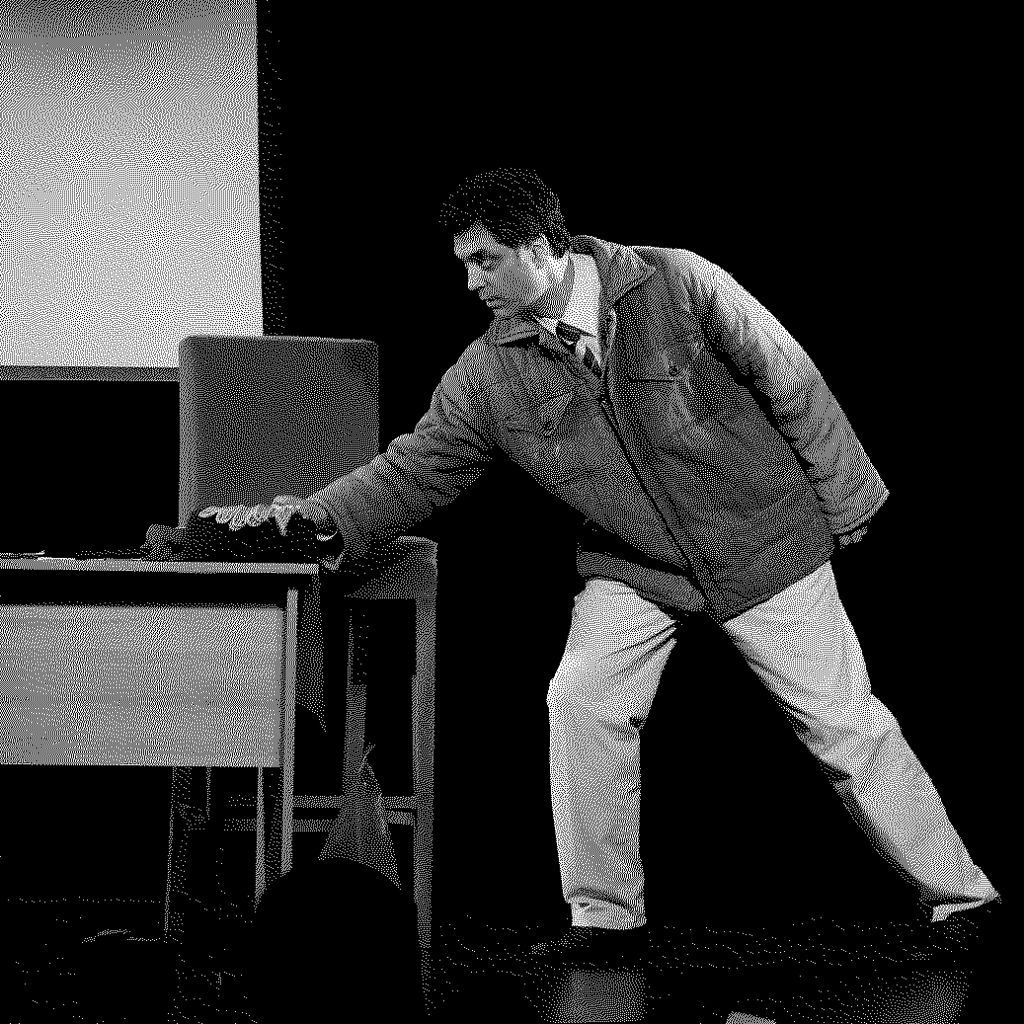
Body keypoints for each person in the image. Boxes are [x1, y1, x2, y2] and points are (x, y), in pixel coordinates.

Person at [227, 167, 999, 956]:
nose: (472, 280)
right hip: (635, 564)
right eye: (464, 263)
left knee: (844, 725)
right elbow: (413, 469)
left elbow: (789, 374)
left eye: (485, 260)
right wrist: (320, 517)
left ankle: (964, 901)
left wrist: (848, 500)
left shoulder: (676, 282)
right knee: (581, 700)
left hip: (759, 540)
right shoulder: (488, 373)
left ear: (541, 246)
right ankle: (605, 918)